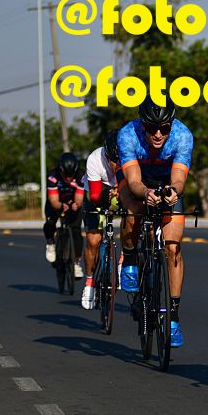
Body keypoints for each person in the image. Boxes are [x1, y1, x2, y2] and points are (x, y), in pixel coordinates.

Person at [117, 94, 193, 348]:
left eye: (164, 128)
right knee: (133, 213)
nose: (158, 134)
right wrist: (146, 193)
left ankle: (173, 317)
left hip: (168, 182)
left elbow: (180, 179)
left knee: (173, 247)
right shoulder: (128, 135)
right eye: (152, 128)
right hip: (139, 182)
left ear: (172, 125)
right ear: (142, 124)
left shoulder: (183, 135)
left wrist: (173, 191)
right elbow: (134, 181)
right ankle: (129, 258)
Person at [81, 130, 120, 309]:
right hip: (96, 193)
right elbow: (95, 196)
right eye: (113, 159)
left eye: (119, 160)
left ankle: (123, 262)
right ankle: (90, 282)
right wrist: (109, 194)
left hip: (121, 191)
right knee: (94, 239)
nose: (115, 164)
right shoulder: (95, 159)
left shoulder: (133, 156)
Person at [44, 152, 85, 279]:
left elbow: (79, 198)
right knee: (50, 221)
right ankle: (51, 243)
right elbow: (54, 200)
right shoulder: (53, 176)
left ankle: (76, 262)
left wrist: (76, 205)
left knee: (76, 231)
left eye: (70, 175)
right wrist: (61, 206)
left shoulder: (80, 175)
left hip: (73, 201)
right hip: (56, 202)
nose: (68, 178)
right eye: (65, 175)